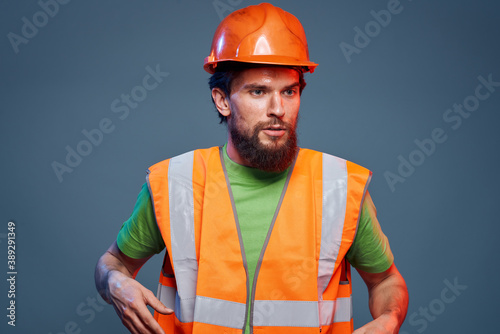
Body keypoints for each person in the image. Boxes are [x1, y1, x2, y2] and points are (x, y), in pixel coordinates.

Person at [95, 3, 408, 334]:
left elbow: (387, 280)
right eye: (259, 91)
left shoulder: (340, 188)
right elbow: (112, 264)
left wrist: (389, 320)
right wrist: (115, 284)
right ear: (223, 100)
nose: (278, 109)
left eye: (289, 91)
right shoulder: (175, 184)